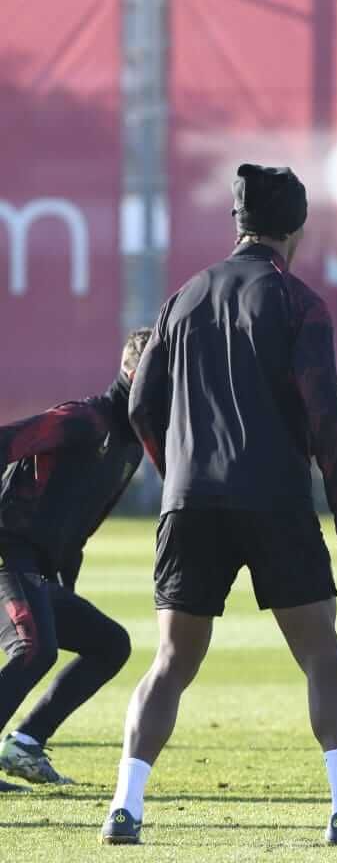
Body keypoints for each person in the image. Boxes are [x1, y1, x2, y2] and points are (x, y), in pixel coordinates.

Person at [102, 164, 337, 845]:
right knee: (321, 653)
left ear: (238, 222)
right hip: (275, 499)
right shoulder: (297, 301)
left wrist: (175, 474)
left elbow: (141, 402)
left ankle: (125, 807)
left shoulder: (184, 297)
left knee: (171, 661)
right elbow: (324, 414)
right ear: (297, 227)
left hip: (190, 503)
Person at [0, 329, 151, 790]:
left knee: (110, 645)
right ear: (132, 374)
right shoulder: (85, 419)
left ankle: (25, 743)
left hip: (36, 567)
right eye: (163, 376)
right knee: (35, 650)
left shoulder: (129, 445)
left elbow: (79, 530)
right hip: (8, 553)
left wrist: (64, 583)